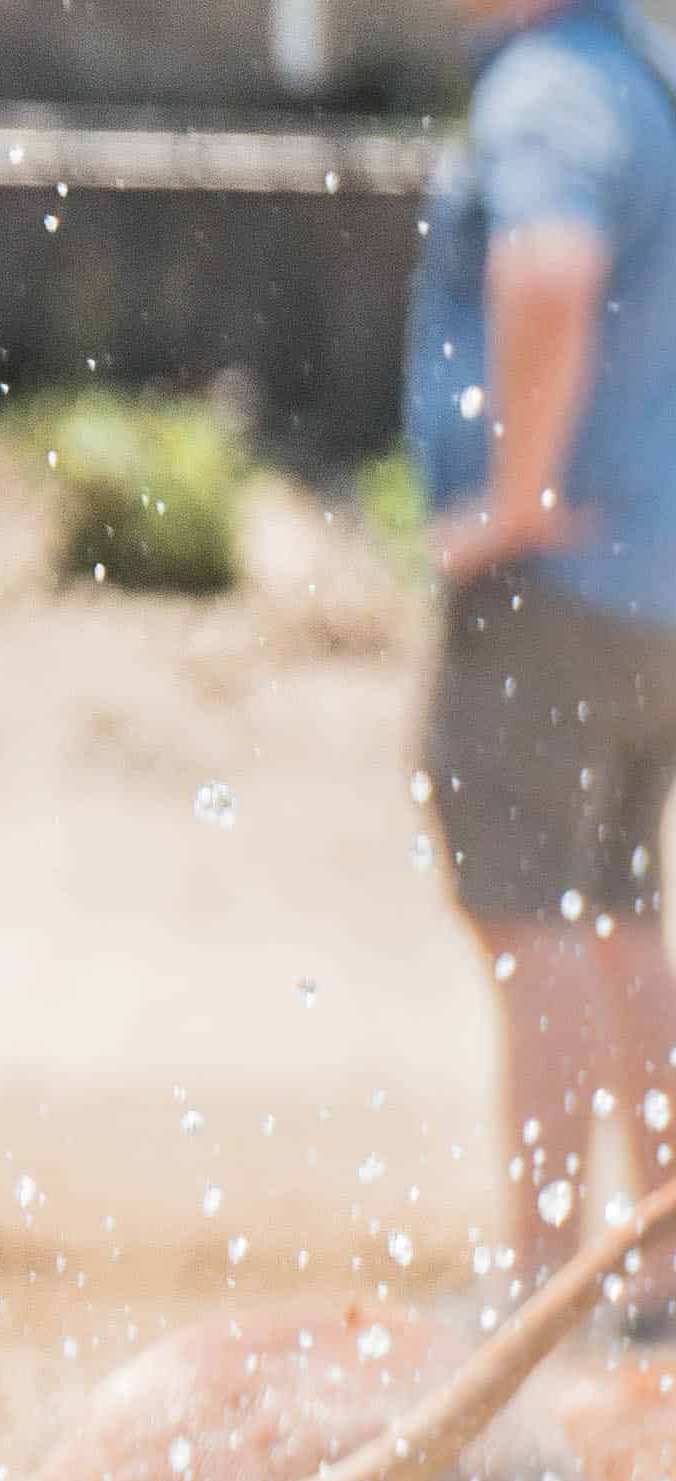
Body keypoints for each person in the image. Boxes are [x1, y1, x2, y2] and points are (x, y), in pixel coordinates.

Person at [413, 0, 676, 1319]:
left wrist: (513, 502)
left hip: (554, 580)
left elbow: (548, 272)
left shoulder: (548, 95)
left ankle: (542, 1283)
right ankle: (663, 1265)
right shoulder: (639, 78)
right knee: (623, 917)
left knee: (536, 921)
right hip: (651, 585)